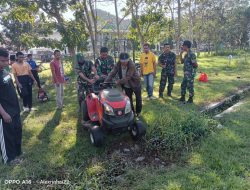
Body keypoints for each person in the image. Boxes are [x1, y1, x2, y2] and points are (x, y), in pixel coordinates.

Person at [0, 47, 22, 164]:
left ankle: (17, 153)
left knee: (17, 131)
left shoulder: (4, 71)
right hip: (5, 112)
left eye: (7, 60)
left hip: (14, 109)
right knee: (7, 136)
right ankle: (9, 158)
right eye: (2, 60)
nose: (6, 62)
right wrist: (3, 114)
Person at [105, 53, 142, 117]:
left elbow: (128, 77)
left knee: (138, 99)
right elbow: (112, 73)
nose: (124, 63)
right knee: (129, 100)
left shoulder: (131, 65)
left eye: (126, 61)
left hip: (135, 83)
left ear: (128, 60)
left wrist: (118, 82)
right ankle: (132, 113)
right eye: (122, 61)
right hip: (126, 85)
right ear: (120, 60)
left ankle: (138, 112)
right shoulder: (118, 64)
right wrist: (106, 82)